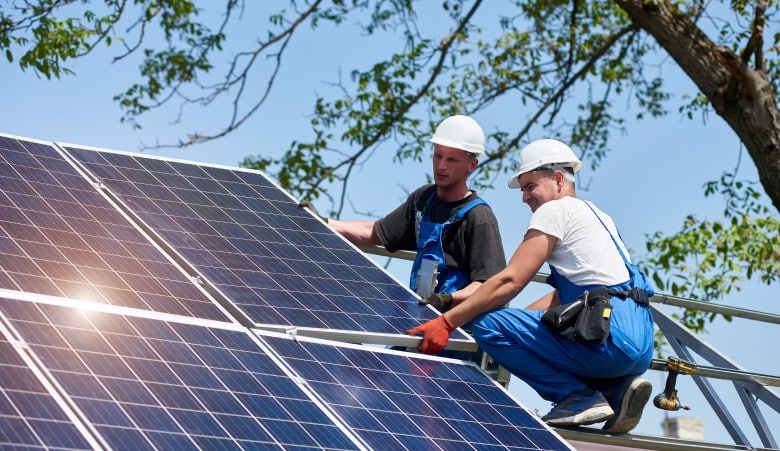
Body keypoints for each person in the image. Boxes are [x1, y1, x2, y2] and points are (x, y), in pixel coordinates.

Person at [406, 138, 655, 434]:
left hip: (609, 341)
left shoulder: (554, 211)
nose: (524, 197)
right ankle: (615, 390)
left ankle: (576, 397)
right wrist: (519, 332)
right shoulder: (599, 216)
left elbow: (511, 280)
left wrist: (446, 323)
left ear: (559, 179)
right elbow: (567, 295)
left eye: (529, 186)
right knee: (510, 327)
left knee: (489, 326)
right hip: (639, 344)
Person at [326, 115, 507, 316]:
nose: (441, 166)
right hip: (420, 312)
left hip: (457, 327)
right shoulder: (424, 199)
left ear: (471, 165)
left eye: (451, 159)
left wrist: (447, 300)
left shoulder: (479, 217)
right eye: (438, 156)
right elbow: (376, 232)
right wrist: (324, 223)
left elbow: (489, 286)